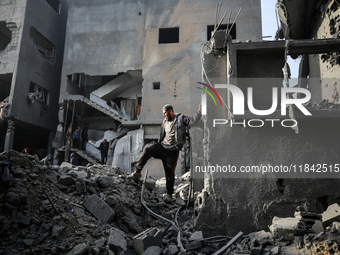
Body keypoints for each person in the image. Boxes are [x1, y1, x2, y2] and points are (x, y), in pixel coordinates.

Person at [129, 104, 201, 203]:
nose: (164, 115)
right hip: (162, 147)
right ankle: (137, 173)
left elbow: (193, 121)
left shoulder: (181, 118)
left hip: (172, 152)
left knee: (169, 173)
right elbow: (162, 135)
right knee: (147, 150)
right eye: (163, 113)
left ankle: (169, 195)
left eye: (165, 113)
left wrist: (199, 111)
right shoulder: (165, 121)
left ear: (171, 111)